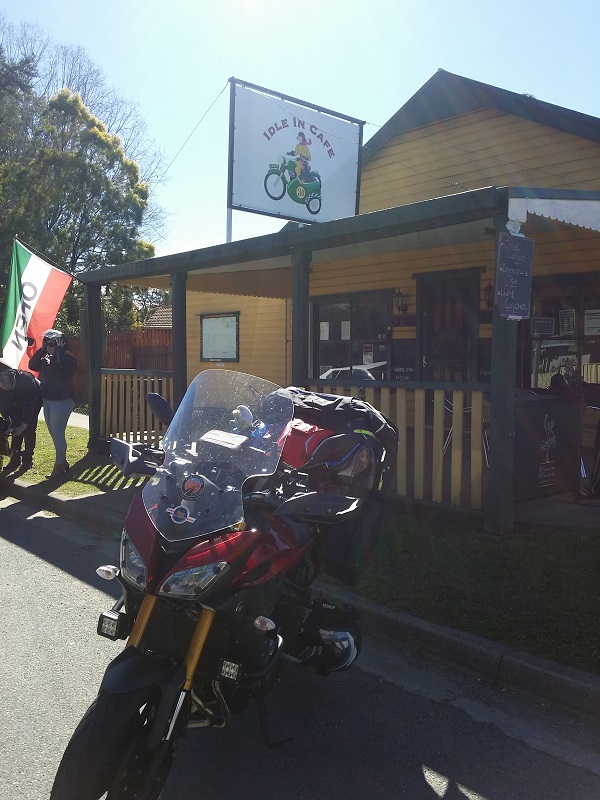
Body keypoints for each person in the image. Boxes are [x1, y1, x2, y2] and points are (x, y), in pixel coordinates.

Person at [29, 329, 77, 478]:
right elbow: (32, 365)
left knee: (57, 433)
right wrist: (42, 349)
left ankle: (59, 466)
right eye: (47, 344)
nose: (49, 347)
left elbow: (63, 367)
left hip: (62, 400)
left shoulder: (68, 358)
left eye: (52, 345)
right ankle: (63, 462)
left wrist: (60, 351)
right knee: (54, 434)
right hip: (48, 400)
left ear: (61, 344)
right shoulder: (47, 358)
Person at [0, 368, 42, 471]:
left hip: (34, 398)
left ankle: (27, 460)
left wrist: (24, 425)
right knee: (15, 428)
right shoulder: (2, 386)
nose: (6, 390)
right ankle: (15, 460)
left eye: (8, 388)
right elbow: (3, 404)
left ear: (14, 381)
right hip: (15, 401)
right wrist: (9, 420)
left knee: (29, 430)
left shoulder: (27, 381)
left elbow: (29, 406)